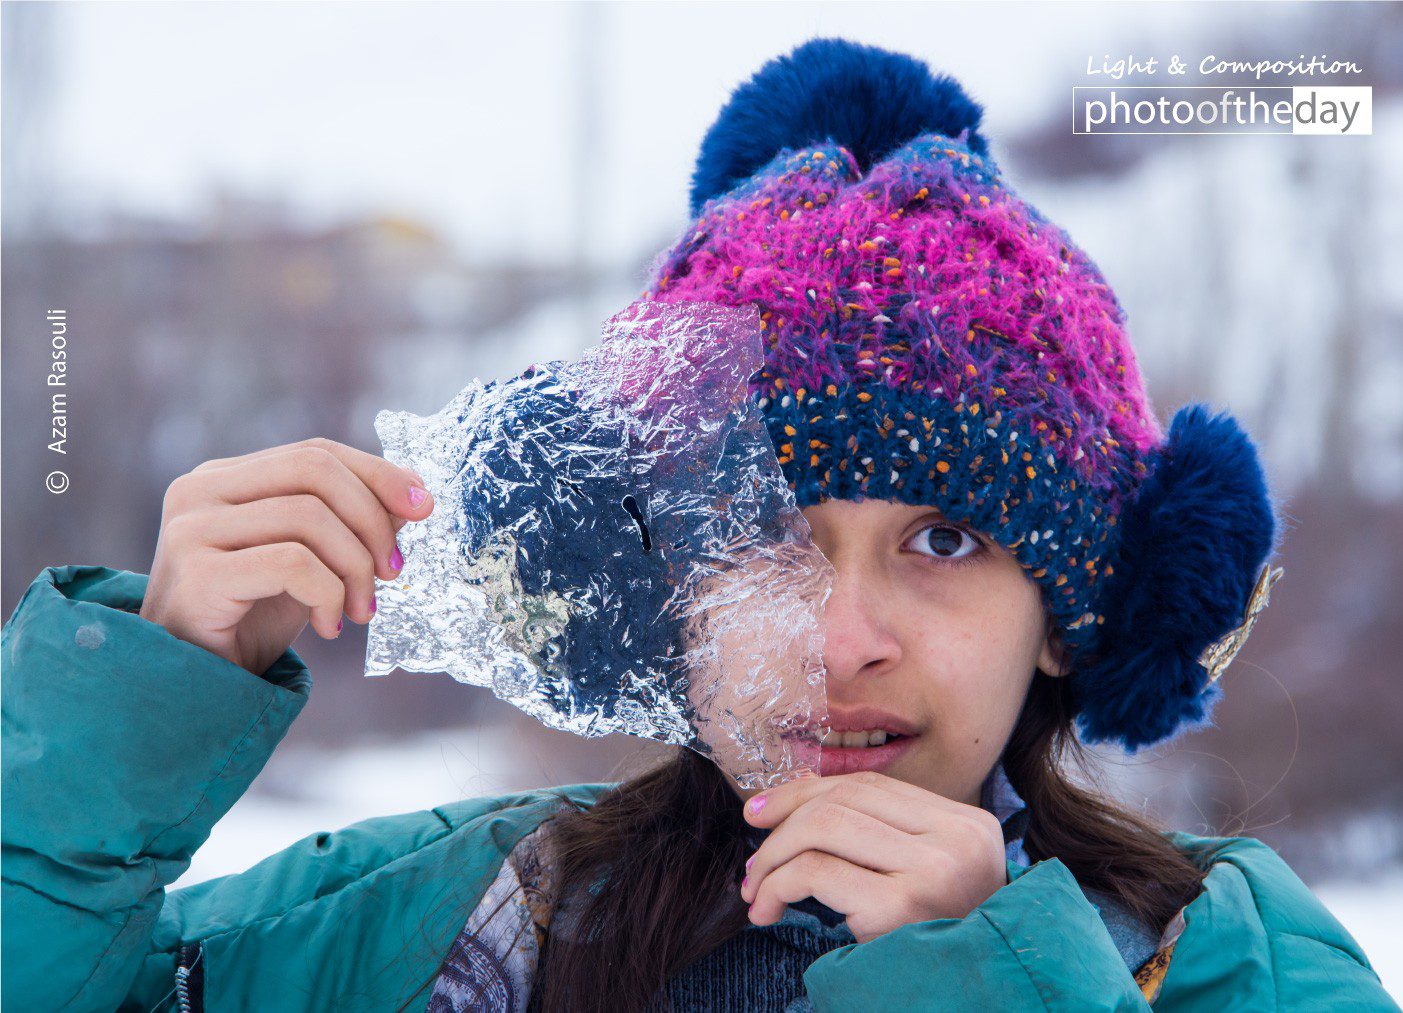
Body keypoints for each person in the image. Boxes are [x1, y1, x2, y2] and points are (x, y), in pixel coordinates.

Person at [2, 37, 1395, 1013]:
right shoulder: (454, 925)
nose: (842, 643)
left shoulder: (1234, 957)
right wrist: (125, 723)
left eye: (946, 539)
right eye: (768, 535)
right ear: (657, 579)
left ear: (1074, 609)